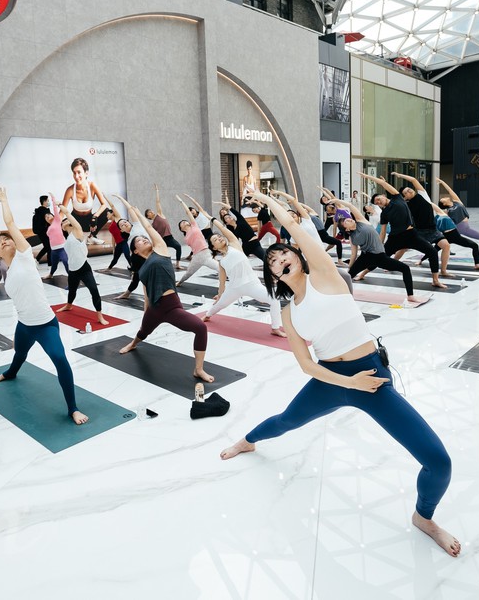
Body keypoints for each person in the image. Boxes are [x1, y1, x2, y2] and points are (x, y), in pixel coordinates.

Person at [219, 190, 458, 557]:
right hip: (331, 380)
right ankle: (248, 441)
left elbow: (296, 230)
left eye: (283, 252)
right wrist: (349, 383)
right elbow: (307, 365)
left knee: (439, 462)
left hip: (372, 377)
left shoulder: (326, 276)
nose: (279, 257)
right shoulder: (288, 313)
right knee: (285, 421)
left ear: (298, 256)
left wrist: (270, 203)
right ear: (271, 274)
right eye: (272, 260)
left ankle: (424, 517)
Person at [0, 186, 89, 425]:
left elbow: (10, 224)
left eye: (5, 239)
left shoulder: (23, 256)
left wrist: (4, 201)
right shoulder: (8, 272)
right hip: (24, 324)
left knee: (60, 360)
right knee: (19, 353)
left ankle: (72, 408)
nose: (3, 241)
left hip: (45, 324)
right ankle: (10, 373)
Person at [115, 194, 212, 383]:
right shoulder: (141, 269)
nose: (144, 240)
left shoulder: (160, 249)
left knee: (200, 328)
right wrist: (147, 312)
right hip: (155, 308)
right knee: (143, 331)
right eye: (140, 242)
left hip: (172, 306)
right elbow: (145, 292)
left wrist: (134, 211)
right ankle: (133, 344)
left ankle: (198, 369)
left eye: (144, 239)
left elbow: (150, 228)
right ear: (135, 251)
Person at [190, 196, 284, 337]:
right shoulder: (221, 262)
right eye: (215, 239)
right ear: (214, 247)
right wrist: (220, 293)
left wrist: (211, 218)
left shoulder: (234, 244)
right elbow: (222, 281)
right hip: (234, 287)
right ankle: (208, 315)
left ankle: (275, 328)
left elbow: (222, 228)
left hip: (252, 284)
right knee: (220, 304)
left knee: (274, 301)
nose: (219, 238)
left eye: (219, 236)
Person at [325, 195, 421, 304]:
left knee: (405, 269)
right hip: (366, 257)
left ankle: (410, 296)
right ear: (346, 229)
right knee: (348, 276)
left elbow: (350, 206)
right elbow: (353, 254)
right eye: (346, 221)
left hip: (380, 257)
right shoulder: (352, 237)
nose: (348, 219)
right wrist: (350, 269)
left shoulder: (361, 221)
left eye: (348, 218)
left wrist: (336, 200)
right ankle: (334, 292)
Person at [359, 173, 446, 289]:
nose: (378, 202)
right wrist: (379, 245)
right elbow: (383, 232)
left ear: (384, 196)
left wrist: (367, 177)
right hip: (395, 238)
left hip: (412, 235)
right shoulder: (384, 213)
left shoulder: (397, 198)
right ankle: (362, 274)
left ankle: (435, 280)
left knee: (432, 252)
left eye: (379, 199)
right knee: (379, 256)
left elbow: (384, 184)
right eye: (376, 203)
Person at [56, 201, 110, 326]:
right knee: (72, 291)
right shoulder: (67, 238)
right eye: (62, 222)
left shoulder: (78, 232)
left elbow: (72, 219)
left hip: (84, 268)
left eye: (65, 220)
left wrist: (64, 210)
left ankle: (100, 316)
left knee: (93, 290)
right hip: (73, 269)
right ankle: (68, 305)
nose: (63, 222)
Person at [390, 173, 452, 278]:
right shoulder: (406, 205)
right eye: (406, 192)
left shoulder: (423, 195)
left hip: (432, 230)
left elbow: (414, 180)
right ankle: (391, 265)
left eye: (409, 189)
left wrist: (399, 175)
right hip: (417, 231)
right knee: (403, 248)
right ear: (405, 197)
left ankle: (443, 270)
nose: (409, 190)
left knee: (446, 245)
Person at [436, 178, 479, 261]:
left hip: (465, 228)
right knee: (440, 243)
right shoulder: (447, 211)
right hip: (457, 228)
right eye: (442, 199)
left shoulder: (457, 202)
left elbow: (450, 190)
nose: (444, 197)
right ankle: (427, 256)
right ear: (443, 203)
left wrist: (442, 182)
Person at [62, 157, 109, 244]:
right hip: (76, 221)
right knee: (63, 223)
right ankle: (78, 237)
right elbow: (62, 211)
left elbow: (104, 204)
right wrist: (55, 224)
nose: (76, 176)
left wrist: (95, 216)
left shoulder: (92, 186)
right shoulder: (70, 190)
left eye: (79, 172)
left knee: (108, 212)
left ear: (86, 173)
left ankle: (91, 236)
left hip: (89, 221)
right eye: (74, 173)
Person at [174, 195, 218, 287]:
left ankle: (234, 275)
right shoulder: (185, 238)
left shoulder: (194, 225)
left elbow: (188, 212)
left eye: (185, 221)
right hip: (197, 256)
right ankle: (180, 282)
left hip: (205, 253)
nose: (184, 222)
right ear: (181, 229)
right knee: (188, 273)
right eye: (182, 223)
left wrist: (181, 201)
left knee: (219, 268)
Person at [217, 193, 267, 264]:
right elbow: (233, 239)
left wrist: (222, 203)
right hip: (246, 246)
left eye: (229, 216)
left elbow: (231, 209)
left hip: (254, 243)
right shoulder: (232, 229)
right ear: (226, 222)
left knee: (265, 258)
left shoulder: (240, 220)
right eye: (226, 218)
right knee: (240, 261)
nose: (229, 217)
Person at [432, 204, 479, 270]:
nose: (447, 210)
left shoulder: (447, 216)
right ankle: (421, 260)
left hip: (455, 237)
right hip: (447, 237)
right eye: (445, 210)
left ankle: (477, 264)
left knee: (475, 245)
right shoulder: (440, 217)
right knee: (432, 250)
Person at [146, 184, 183, 268]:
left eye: (151, 211)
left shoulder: (160, 214)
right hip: (161, 240)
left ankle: (177, 264)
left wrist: (157, 191)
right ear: (148, 217)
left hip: (169, 238)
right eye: (149, 213)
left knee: (178, 247)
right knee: (157, 253)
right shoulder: (152, 225)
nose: (152, 212)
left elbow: (158, 202)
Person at [101, 197, 132, 273]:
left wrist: (105, 197)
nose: (106, 216)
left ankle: (134, 269)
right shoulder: (110, 225)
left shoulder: (117, 219)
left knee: (127, 256)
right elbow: (113, 236)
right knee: (115, 258)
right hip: (118, 244)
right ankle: (109, 268)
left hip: (124, 241)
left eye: (107, 214)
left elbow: (112, 206)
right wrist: (113, 248)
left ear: (112, 213)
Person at [44, 195, 69, 280]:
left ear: (53, 216)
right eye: (46, 217)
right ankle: (51, 274)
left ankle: (73, 277)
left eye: (49, 215)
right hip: (54, 250)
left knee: (66, 262)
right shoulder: (48, 228)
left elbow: (55, 210)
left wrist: (53, 199)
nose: (48, 217)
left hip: (62, 248)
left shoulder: (57, 220)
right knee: (54, 265)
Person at [31, 195, 52, 263]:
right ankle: (49, 264)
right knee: (48, 247)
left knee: (47, 247)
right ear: (44, 201)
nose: (49, 202)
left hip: (41, 233)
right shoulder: (45, 211)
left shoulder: (38, 211)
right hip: (45, 232)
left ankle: (37, 260)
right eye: (48, 201)